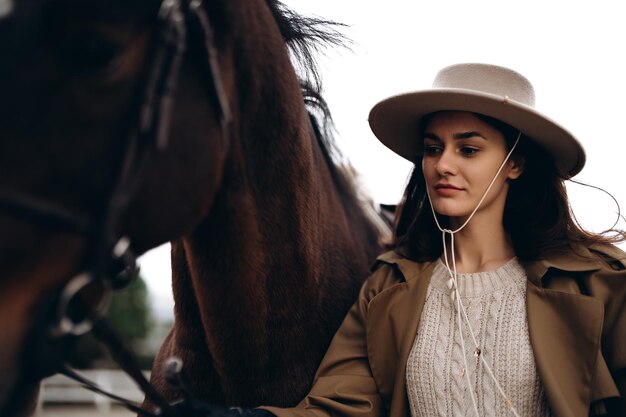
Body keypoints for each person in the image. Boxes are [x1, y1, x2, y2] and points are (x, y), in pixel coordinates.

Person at [195, 63, 626, 416]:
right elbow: (338, 407)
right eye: (433, 148)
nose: (443, 165)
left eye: (468, 149)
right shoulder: (386, 288)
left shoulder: (598, 283)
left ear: (514, 164)